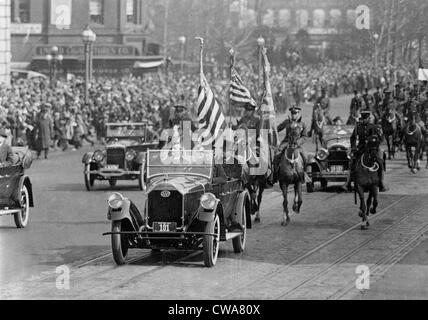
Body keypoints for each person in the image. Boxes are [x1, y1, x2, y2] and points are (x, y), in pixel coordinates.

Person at [342, 110, 388, 192]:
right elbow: (352, 138)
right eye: (363, 118)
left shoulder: (373, 127)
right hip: (361, 148)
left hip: (372, 149)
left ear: (368, 119)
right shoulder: (358, 127)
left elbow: (381, 139)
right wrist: (353, 147)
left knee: (380, 163)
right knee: (352, 162)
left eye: (366, 118)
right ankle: (348, 183)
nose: (364, 120)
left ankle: (381, 183)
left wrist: (374, 141)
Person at [272, 106, 308, 184]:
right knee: (276, 155)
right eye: (292, 113)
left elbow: (305, 136)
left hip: (297, 144)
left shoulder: (302, 124)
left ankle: (304, 174)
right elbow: (277, 129)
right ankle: (275, 175)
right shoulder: (287, 122)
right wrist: (271, 130)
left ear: (298, 113)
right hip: (286, 142)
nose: (293, 115)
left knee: (305, 156)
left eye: (295, 113)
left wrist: (298, 142)